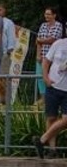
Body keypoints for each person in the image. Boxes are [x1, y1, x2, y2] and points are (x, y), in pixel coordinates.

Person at [32, 30, 67, 158]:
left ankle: (42, 139)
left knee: (66, 119)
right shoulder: (58, 43)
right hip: (53, 85)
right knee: (51, 117)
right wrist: (45, 78)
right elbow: (46, 61)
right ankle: (52, 149)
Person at [35, 8, 64, 101]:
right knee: (40, 76)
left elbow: (53, 39)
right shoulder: (43, 25)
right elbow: (37, 41)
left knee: (51, 75)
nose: (46, 16)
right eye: (45, 14)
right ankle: (42, 97)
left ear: (54, 15)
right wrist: (38, 54)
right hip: (42, 54)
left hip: (53, 57)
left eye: (49, 14)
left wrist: (41, 40)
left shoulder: (58, 25)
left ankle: (52, 96)